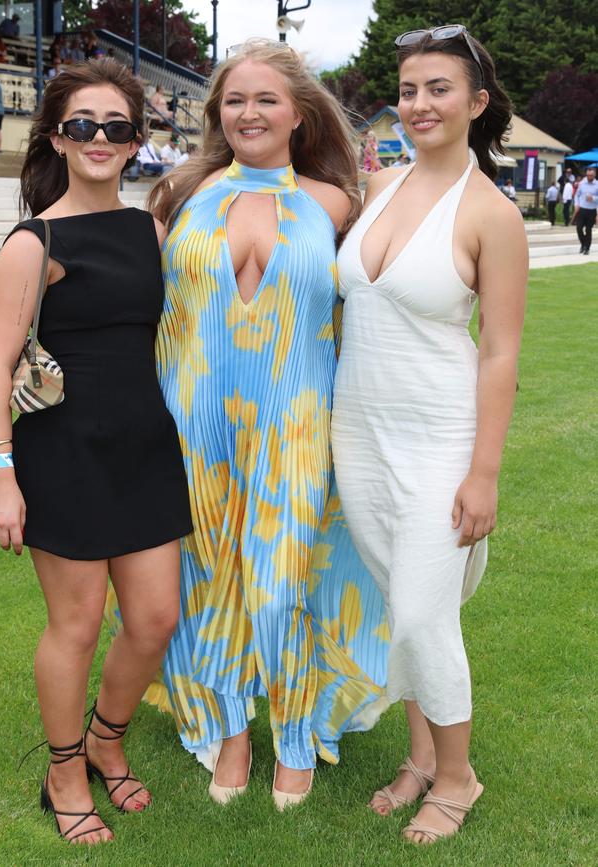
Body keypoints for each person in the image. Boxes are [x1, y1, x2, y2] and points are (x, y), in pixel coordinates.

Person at [107, 38, 390, 810]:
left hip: (295, 423)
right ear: (216, 114)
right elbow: (135, 308)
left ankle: (294, 737)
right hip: (191, 424)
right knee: (206, 583)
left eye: (266, 98)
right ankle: (231, 730)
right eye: (234, 100)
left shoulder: (339, 205)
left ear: (298, 114)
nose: (249, 112)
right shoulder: (179, 196)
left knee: (278, 584)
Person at [0, 58, 192, 845]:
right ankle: (64, 770)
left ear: (136, 143)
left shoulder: (148, 229)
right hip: (62, 454)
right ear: (58, 137)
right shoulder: (34, 240)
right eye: (83, 125)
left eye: (117, 127)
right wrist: (1, 477)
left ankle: (106, 736)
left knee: (156, 616)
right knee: (77, 624)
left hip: (143, 445)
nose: (100, 138)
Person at [332, 25, 527, 845]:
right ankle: (418, 756)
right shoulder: (375, 188)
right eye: (409, 89)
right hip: (359, 431)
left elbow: (500, 350)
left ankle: (458, 775)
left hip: (440, 435)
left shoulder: (492, 212)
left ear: (476, 103)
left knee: (421, 614)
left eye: (438, 88)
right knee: (396, 604)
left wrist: (482, 475)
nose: (419, 104)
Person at [573, 166, 597, 254]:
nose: (589, 177)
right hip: (582, 209)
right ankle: (583, 244)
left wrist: (593, 198)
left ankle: (587, 248)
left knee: (588, 229)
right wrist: (576, 204)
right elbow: (577, 195)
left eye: (591, 176)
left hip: (592, 210)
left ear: (594, 175)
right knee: (579, 228)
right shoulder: (582, 183)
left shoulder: (597, 184)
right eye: (588, 175)